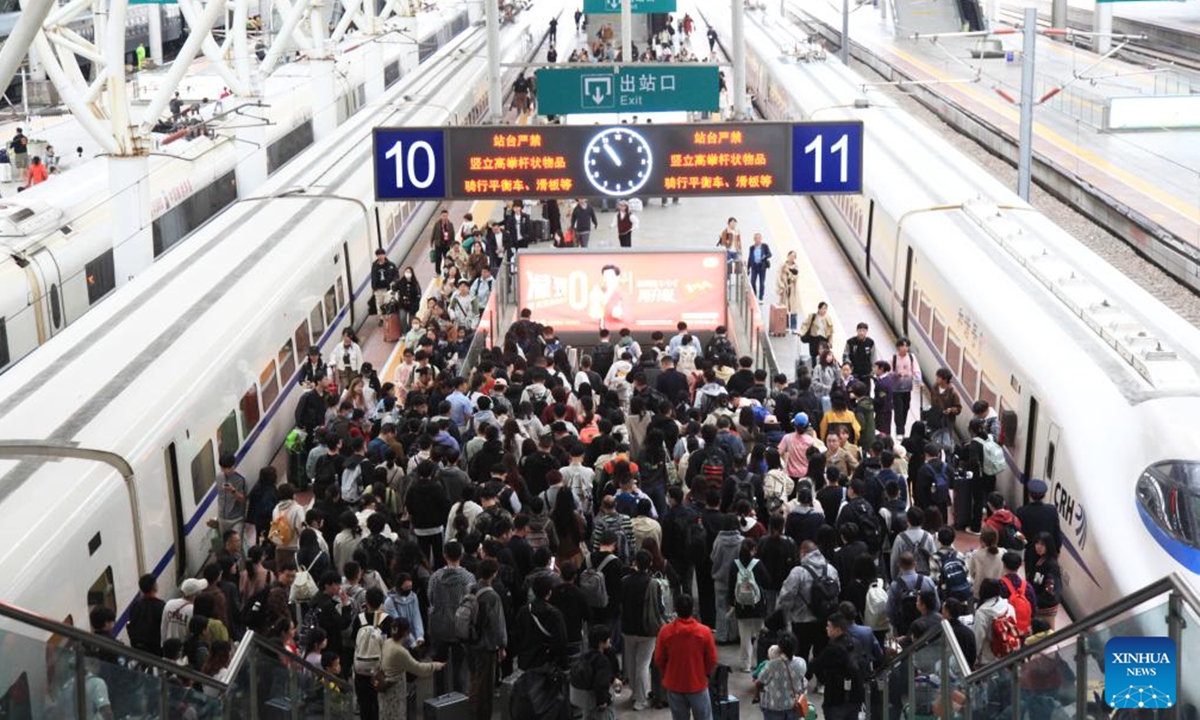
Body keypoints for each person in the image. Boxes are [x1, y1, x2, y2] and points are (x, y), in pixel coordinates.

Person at [654, 594, 718, 720]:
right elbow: (712, 659)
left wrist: (667, 673)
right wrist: (703, 673)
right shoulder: (704, 632)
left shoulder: (665, 632)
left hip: (674, 684)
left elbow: (659, 659)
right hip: (697, 683)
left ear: (676, 610)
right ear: (692, 609)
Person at [777, 540, 839, 665]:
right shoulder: (831, 569)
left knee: (801, 655)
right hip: (825, 620)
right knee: (822, 654)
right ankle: (822, 681)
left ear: (803, 552)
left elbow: (785, 596)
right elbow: (837, 591)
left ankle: (802, 680)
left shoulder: (798, 572)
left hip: (801, 622)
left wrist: (787, 615)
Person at [427, 540, 475, 694]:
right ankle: (458, 699)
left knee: (438, 664)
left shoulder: (435, 577)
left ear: (444, 555)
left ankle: (439, 698)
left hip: (439, 625)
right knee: (459, 666)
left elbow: (431, 597)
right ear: (461, 555)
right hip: (459, 627)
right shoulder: (468, 578)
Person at [378, 616, 444, 720]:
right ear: (407, 632)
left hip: (384, 689)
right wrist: (435, 665)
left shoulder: (387, 642)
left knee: (385, 715)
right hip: (395, 691)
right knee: (396, 716)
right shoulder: (400, 651)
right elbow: (419, 669)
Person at [467, 559, 507, 720]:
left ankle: (471, 710)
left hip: (470, 641)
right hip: (486, 645)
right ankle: (482, 715)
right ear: (494, 574)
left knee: (474, 679)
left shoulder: (470, 588)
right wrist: (502, 646)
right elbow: (498, 624)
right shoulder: (492, 596)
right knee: (486, 686)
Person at [807, 614, 865, 720]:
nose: (826, 628)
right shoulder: (856, 643)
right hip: (855, 695)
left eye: (829, 626)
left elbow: (814, 666)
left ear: (837, 630)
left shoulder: (833, 649)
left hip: (836, 698)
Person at [728, 539, 771, 673]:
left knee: (745, 637)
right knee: (761, 636)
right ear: (753, 550)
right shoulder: (757, 564)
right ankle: (761, 663)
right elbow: (768, 581)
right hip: (757, 606)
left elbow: (730, 586)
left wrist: (732, 604)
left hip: (741, 607)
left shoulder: (735, 565)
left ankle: (745, 665)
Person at [754, 632, 807, 720]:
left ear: (780, 648)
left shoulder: (772, 664)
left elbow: (760, 681)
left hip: (773, 706)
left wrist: (756, 695)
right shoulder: (801, 662)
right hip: (794, 705)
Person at [1014, 479, 1061, 575]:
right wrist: (1056, 549)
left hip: (1031, 553)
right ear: (1044, 495)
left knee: (1031, 577)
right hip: (1048, 552)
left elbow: (1017, 534)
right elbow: (1057, 533)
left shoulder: (1021, 512)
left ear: (1029, 494)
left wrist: (1027, 544)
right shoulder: (1052, 510)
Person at [570, 626, 617, 720]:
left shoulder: (585, 656)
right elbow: (601, 683)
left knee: (587, 715)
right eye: (608, 638)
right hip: (592, 699)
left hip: (578, 696)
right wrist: (603, 701)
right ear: (601, 643)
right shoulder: (603, 661)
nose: (610, 640)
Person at [973, 578, 1015, 666]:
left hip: (988, 659)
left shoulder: (982, 612)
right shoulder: (1008, 607)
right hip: (1007, 654)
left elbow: (978, 637)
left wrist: (975, 658)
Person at [1029, 532, 1062, 629]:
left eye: (1042, 544)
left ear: (1048, 546)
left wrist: (1034, 601)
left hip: (1046, 608)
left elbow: (1049, 591)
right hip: (1041, 603)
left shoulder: (1050, 565)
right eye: (1037, 543)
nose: (1038, 547)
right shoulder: (1040, 560)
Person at [127, 574, 166, 656]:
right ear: (155, 587)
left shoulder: (135, 605)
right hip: (156, 647)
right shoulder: (161, 605)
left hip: (138, 647)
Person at [890, 338, 920, 436]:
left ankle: (901, 426)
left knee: (905, 408)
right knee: (898, 410)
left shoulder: (911, 357)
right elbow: (888, 372)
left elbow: (916, 370)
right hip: (896, 389)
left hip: (907, 389)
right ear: (898, 347)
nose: (905, 348)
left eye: (907, 346)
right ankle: (900, 432)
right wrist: (896, 374)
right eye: (903, 345)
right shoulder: (893, 358)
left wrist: (919, 381)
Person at [216, 452, 247, 542]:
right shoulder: (219, 477)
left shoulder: (241, 479)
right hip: (222, 518)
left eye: (230, 468)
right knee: (225, 544)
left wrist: (233, 491)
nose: (227, 471)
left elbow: (243, 499)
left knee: (236, 544)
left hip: (237, 518)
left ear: (234, 465)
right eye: (224, 468)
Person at [928, 368, 962, 449]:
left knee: (944, 442)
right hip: (934, 418)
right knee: (932, 438)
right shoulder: (934, 387)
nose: (936, 378)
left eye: (938, 377)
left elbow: (958, 408)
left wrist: (950, 410)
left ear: (945, 380)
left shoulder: (953, 393)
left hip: (946, 421)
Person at [968, 525, 1004, 599]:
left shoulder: (976, 554)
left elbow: (972, 573)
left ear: (981, 540)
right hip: (997, 591)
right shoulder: (1003, 552)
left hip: (979, 592)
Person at [798, 303, 833, 370]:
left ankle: (824, 368)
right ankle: (814, 368)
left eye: (825, 309)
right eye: (823, 308)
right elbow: (805, 325)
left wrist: (830, 341)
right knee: (813, 354)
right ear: (819, 309)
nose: (824, 310)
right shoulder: (812, 316)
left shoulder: (828, 318)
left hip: (823, 339)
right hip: (814, 338)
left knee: (824, 355)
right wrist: (801, 332)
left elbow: (831, 331)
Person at [371, 249, 399, 324]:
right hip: (378, 289)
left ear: (384, 255)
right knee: (379, 304)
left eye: (382, 254)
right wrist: (373, 287)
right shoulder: (374, 265)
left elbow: (396, 275)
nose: (380, 256)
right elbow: (373, 276)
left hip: (388, 288)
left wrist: (394, 281)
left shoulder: (391, 265)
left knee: (387, 303)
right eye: (378, 255)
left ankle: (388, 318)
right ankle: (381, 319)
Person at [746, 233, 773, 302]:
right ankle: (754, 295)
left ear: (761, 238)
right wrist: (748, 268)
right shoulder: (751, 248)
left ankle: (761, 298)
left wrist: (764, 257)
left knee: (762, 283)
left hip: (762, 267)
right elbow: (750, 258)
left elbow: (770, 254)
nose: (757, 239)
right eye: (756, 238)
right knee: (752, 282)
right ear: (754, 239)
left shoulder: (765, 246)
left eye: (758, 238)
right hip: (754, 267)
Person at [431, 208, 455, 274]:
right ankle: (438, 271)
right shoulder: (437, 224)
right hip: (438, 244)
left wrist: (453, 244)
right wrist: (432, 242)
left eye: (446, 216)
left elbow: (452, 234)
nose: (445, 217)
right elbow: (433, 233)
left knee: (447, 258)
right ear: (440, 216)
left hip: (447, 244)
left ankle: (446, 270)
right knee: (438, 258)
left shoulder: (450, 224)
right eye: (443, 216)